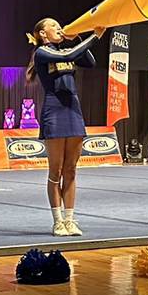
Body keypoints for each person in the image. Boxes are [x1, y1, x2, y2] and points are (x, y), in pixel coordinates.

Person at [28, 17, 103, 236]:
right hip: (54, 111)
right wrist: (94, 36)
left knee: (71, 169)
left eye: (59, 25)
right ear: (43, 33)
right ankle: (58, 221)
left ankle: (70, 220)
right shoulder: (42, 53)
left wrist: (77, 37)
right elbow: (68, 55)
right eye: (53, 25)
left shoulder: (66, 49)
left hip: (73, 110)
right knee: (56, 170)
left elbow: (89, 61)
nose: (58, 27)